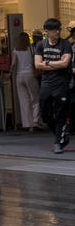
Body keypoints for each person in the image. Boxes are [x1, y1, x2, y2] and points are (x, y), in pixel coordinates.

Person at [34, 17, 73, 154]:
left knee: (61, 113)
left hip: (61, 83)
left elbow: (65, 64)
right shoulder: (41, 45)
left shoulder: (65, 44)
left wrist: (47, 63)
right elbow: (37, 65)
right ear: (47, 31)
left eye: (59, 29)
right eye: (54, 30)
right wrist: (54, 64)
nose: (57, 32)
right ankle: (60, 133)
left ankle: (59, 142)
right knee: (45, 113)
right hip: (46, 83)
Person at [10, 31, 40, 132]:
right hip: (30, 75)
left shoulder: (16, 49)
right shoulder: (32, 48)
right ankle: (35, 122)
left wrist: (10, 72)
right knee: (34, 99)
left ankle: (27, 124)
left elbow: (13, 64)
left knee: (24, 101)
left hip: (19, 76)